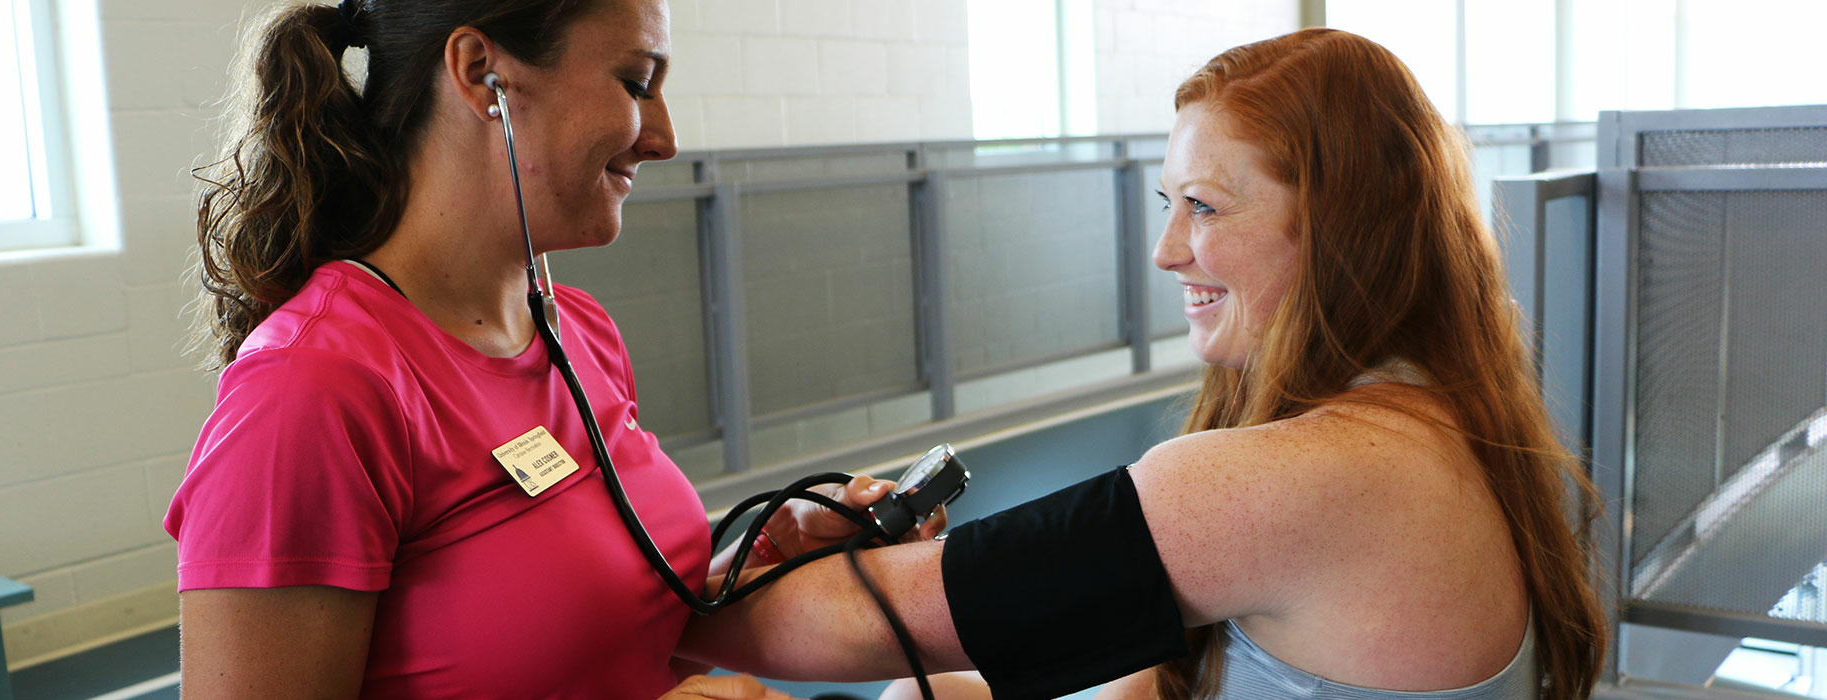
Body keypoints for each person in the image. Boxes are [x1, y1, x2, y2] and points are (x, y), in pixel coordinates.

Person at [677, 28, 1607, 700]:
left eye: (1203, 206)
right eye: (1170, 202)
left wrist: (677, 590)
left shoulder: (1298, 478)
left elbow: (830, 629)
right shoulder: (1442, 415)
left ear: (1337, 233)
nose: (1166, 251)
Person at [165, 1, 932, 698]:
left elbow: (581, 636)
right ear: (480, 74)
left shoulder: (578, 331)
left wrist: (753, 559)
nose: (663, 139)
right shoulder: (311, 389)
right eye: (635, 83)